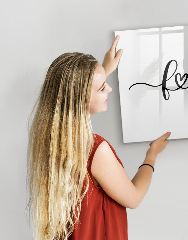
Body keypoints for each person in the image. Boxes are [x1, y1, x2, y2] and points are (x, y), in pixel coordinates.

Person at [27, 36, 171, 240]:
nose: (109, 89)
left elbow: (76, 91)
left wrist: (104, 70)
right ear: (81, 98)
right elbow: (134, 198)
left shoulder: (50, 139)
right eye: (102, 87)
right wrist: (152, 155)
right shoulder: (95, 150)